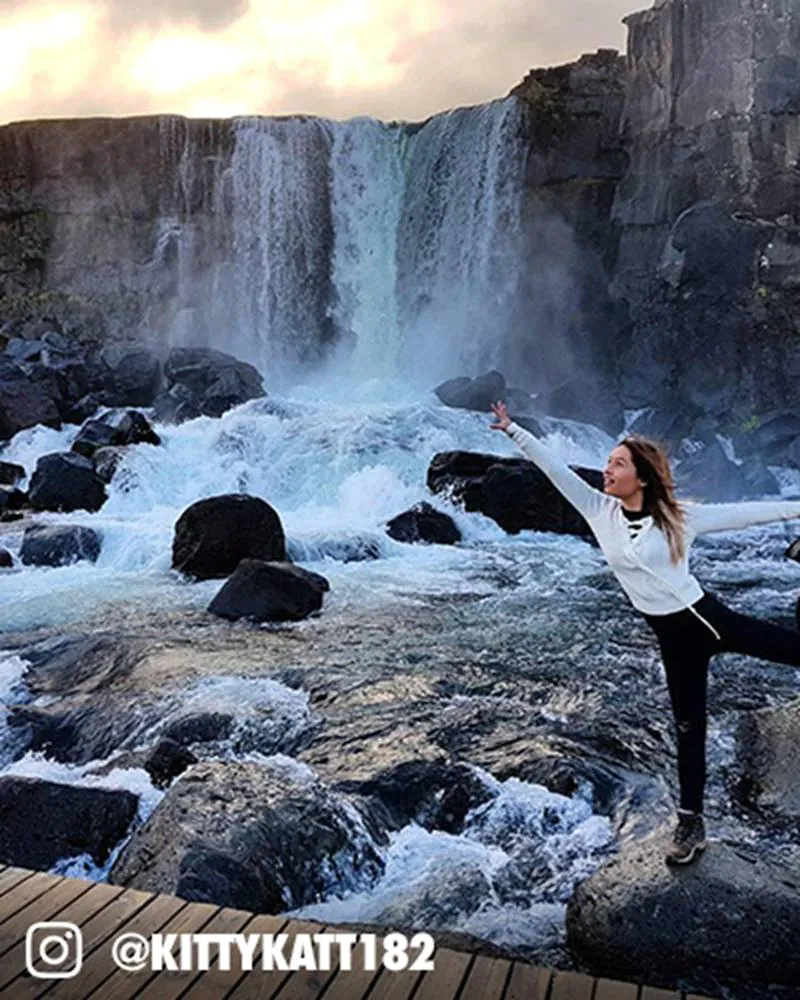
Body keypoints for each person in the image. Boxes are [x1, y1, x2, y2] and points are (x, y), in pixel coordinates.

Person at [489, 401, 800, 866]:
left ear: (641, 476)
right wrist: (514, 430)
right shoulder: (599, 510)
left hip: (707, 621)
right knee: (688, 729)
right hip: (672, 640)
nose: (606, 469)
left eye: (617, 463)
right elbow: (554, 470)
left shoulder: (679, 518)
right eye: (608, 461)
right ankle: (690, 823)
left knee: (791, 650)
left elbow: (747, 513)